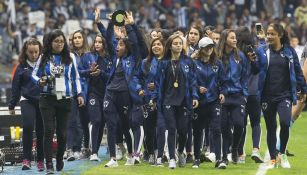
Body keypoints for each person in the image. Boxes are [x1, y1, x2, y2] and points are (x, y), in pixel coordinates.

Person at [251, 23, 307, 169]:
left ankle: (282, 153)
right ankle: (273, 158)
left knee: (284, 122)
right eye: (268, 34)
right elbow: (256, 69)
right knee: (271, 127)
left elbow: (298, 71)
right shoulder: (262, 51)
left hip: (285, 95)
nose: (269, 36)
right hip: (267, 95)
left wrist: (304, 89)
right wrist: (253, 60)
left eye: (272, 34)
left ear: (280, 35)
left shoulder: (289, 52)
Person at [32, 29, 84, 174]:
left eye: (62, 41)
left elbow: (75, 77)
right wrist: (40, 81)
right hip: (47, 98)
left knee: (62, 134)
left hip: (65, 99)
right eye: (56, 41)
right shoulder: (43, 57)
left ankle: (59, 157)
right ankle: (49, 163)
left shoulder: (71, 57)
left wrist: (79, 93)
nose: (59, 44)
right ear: (50, 42)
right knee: (48, 131)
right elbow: (34, 75)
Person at [101, 11, 144, 168]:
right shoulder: (115, 57)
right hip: (110, 93)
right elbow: (107, 38)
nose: (117, 46)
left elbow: (136, 42)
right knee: (111, 124)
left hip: (125, 95)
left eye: (120, 44)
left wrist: (130, 25)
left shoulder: (134, 59)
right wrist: (112, 22)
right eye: (117, 44)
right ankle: (113, 158)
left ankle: (132, 155)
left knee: (126, 126)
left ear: (127, 48)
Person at [156, 34, 199, 169]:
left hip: (184, 101)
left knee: (183, 131)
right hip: (168, 100)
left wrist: (195, 96)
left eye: (180, 43)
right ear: (169, 46)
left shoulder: (188, 62)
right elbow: (158, 83)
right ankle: (172, 158)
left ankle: (180, 151)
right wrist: (158, 100)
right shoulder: (163, 63)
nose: (178, 45)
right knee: (172, 129)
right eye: (175, 43)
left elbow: (193, 82)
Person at [8, 38, 45, 171]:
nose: (34, 55)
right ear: (26, 51)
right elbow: (15, 87)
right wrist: (12, 105)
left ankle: (40, 160)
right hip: (26, 100)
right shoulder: (21, 66)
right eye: (31, 52)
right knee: (28, 126)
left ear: (40, 51)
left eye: (36, 52)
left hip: (42, 100)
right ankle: (26, 159)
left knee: (41, 131)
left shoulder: (43, 65)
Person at [216, 29, 248, 166]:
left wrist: (244, 93)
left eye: (235, 38)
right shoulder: (216, 56)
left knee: (239, 124)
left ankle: (234, 148)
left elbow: (245, 75)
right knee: (223, 128)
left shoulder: (240, 56)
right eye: (232, 38)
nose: (235, 40)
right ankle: (224, 157)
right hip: (222, 97)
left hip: (237, 95)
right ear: (225, 40)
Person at [192, 37, 224, 169]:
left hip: (214, 101)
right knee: (198, 130)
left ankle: (219, 159)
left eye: (211, 46)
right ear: (201, 48)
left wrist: (223, 92)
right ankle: (196, 158)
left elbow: (223, 80)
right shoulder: (193, 63)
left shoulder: (218, 63)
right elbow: (190, 81)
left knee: (216, 129)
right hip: (199, 102)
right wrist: (197, 89)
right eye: (207, 47)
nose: (210, 49)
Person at [80, 33, 112, 161]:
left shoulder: (110, 59)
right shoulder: (88, 56)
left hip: (106, 94)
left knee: (103, 121)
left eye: (100, 42)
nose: (97, 44)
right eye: (96, 42)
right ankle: (93, 152)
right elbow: (79, 72)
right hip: (93, 93)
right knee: (96, 120)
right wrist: (90, 72)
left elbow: (111, 76)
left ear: (104, 44)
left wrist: (101, 73)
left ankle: (95, 151)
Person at [236, 26, 263, 164]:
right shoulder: (254, 50)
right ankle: (255, 150)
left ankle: (240, 154)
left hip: (240, 92)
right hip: (254, 91)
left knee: (241, 123)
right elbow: (259, 68)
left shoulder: (235, 53)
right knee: (255, 122)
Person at [140, 37, 165, 165]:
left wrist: (157, 86)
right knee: (148, 129)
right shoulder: (145, 62)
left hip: (164, 100)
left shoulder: (168, 61)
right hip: (148, 100)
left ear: (164, 47)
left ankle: (160, 154)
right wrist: (140, 89)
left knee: (161, 128)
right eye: (154, 45)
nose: (156, 47)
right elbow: (139, 78)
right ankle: (150, 152)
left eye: (159, 44)